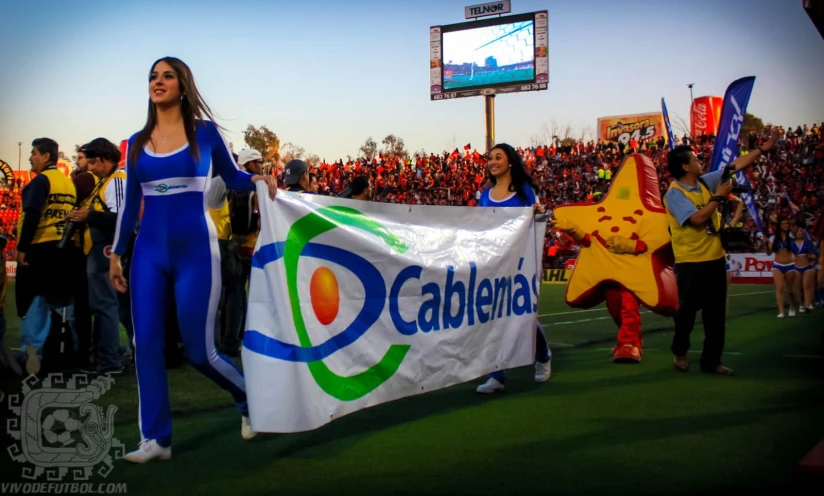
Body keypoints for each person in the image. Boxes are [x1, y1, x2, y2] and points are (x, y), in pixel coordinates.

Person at [110, 56, 277, 464]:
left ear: (183, 85)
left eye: (167, 76)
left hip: (196, 250)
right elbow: (131, 204)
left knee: (201, 351)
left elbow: (232, 176)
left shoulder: (205, 133)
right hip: (147, 252)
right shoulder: (135, 142)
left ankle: (248, 401)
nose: (158, 82)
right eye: (152, 76)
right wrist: (117, 253)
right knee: (145, 342)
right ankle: (156, 440)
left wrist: (256, 179)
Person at [664, 129, 779, 376]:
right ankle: (680, 349)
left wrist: (762, 149)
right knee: (686, 314)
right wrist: (719, 197)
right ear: (685, 167)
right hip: (690, 262)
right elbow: (697, 218)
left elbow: (734, 165)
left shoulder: (705, 181)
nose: (700, 162)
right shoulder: (674, 194)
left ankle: (712, 361)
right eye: (695, 160)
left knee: (715, 316)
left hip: (715, 258)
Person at [474, 143, 551, 394]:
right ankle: (496, 375)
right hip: (494, 264)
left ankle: (543, 355)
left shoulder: (524, 191)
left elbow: (538, 219)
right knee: (493, 316)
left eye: (498, 157)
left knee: (524, 314)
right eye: (490, 158)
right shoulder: (484, 195)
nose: (492, 161)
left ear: (510, 163)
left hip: (520, 262)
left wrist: (540, 213)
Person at [16, 138, 78, 375]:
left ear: (45, 156)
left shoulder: (41, 181)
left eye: (34, 153)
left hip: (38, 248)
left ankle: (33, 354)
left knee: (33, 301)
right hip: (63, 249)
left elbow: (32, 214)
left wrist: (22, 247)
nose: (31, 157)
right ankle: (62, 351)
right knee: (61, 303)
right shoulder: (68, 183)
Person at [67, 138, 127, 374]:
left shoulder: (117, 180)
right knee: (104, 305)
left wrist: (88, 216)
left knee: (106, 305)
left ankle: (110, 360)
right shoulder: (106, 182)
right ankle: (108, 357)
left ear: (105, 159)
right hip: (100, 250)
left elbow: (122, 219)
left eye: (93, 162)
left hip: (107, 250)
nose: (89, 168)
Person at [767, 217, 799, 318]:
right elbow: (769, 253)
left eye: (787, 224)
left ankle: (792, 306)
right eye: (783, 224)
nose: (786, 225)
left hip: (790, 265)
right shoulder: (773, 238)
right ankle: (781, 312)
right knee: (779, 288)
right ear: (779, 226)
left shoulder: (791, 236)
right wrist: (766, 244)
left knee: (790, 290)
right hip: (777, 265)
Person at [791, 221, 817, 313]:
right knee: (799, 288)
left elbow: (815, 254)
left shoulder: (808, 243)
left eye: (801, 231)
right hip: (796, 267)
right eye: (798, 231)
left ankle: (808, 304)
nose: (799, 233)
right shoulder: (791, 243)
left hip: (807, 266)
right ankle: (801, 304)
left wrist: (812, 256)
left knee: (807, 286)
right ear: (795, 233)